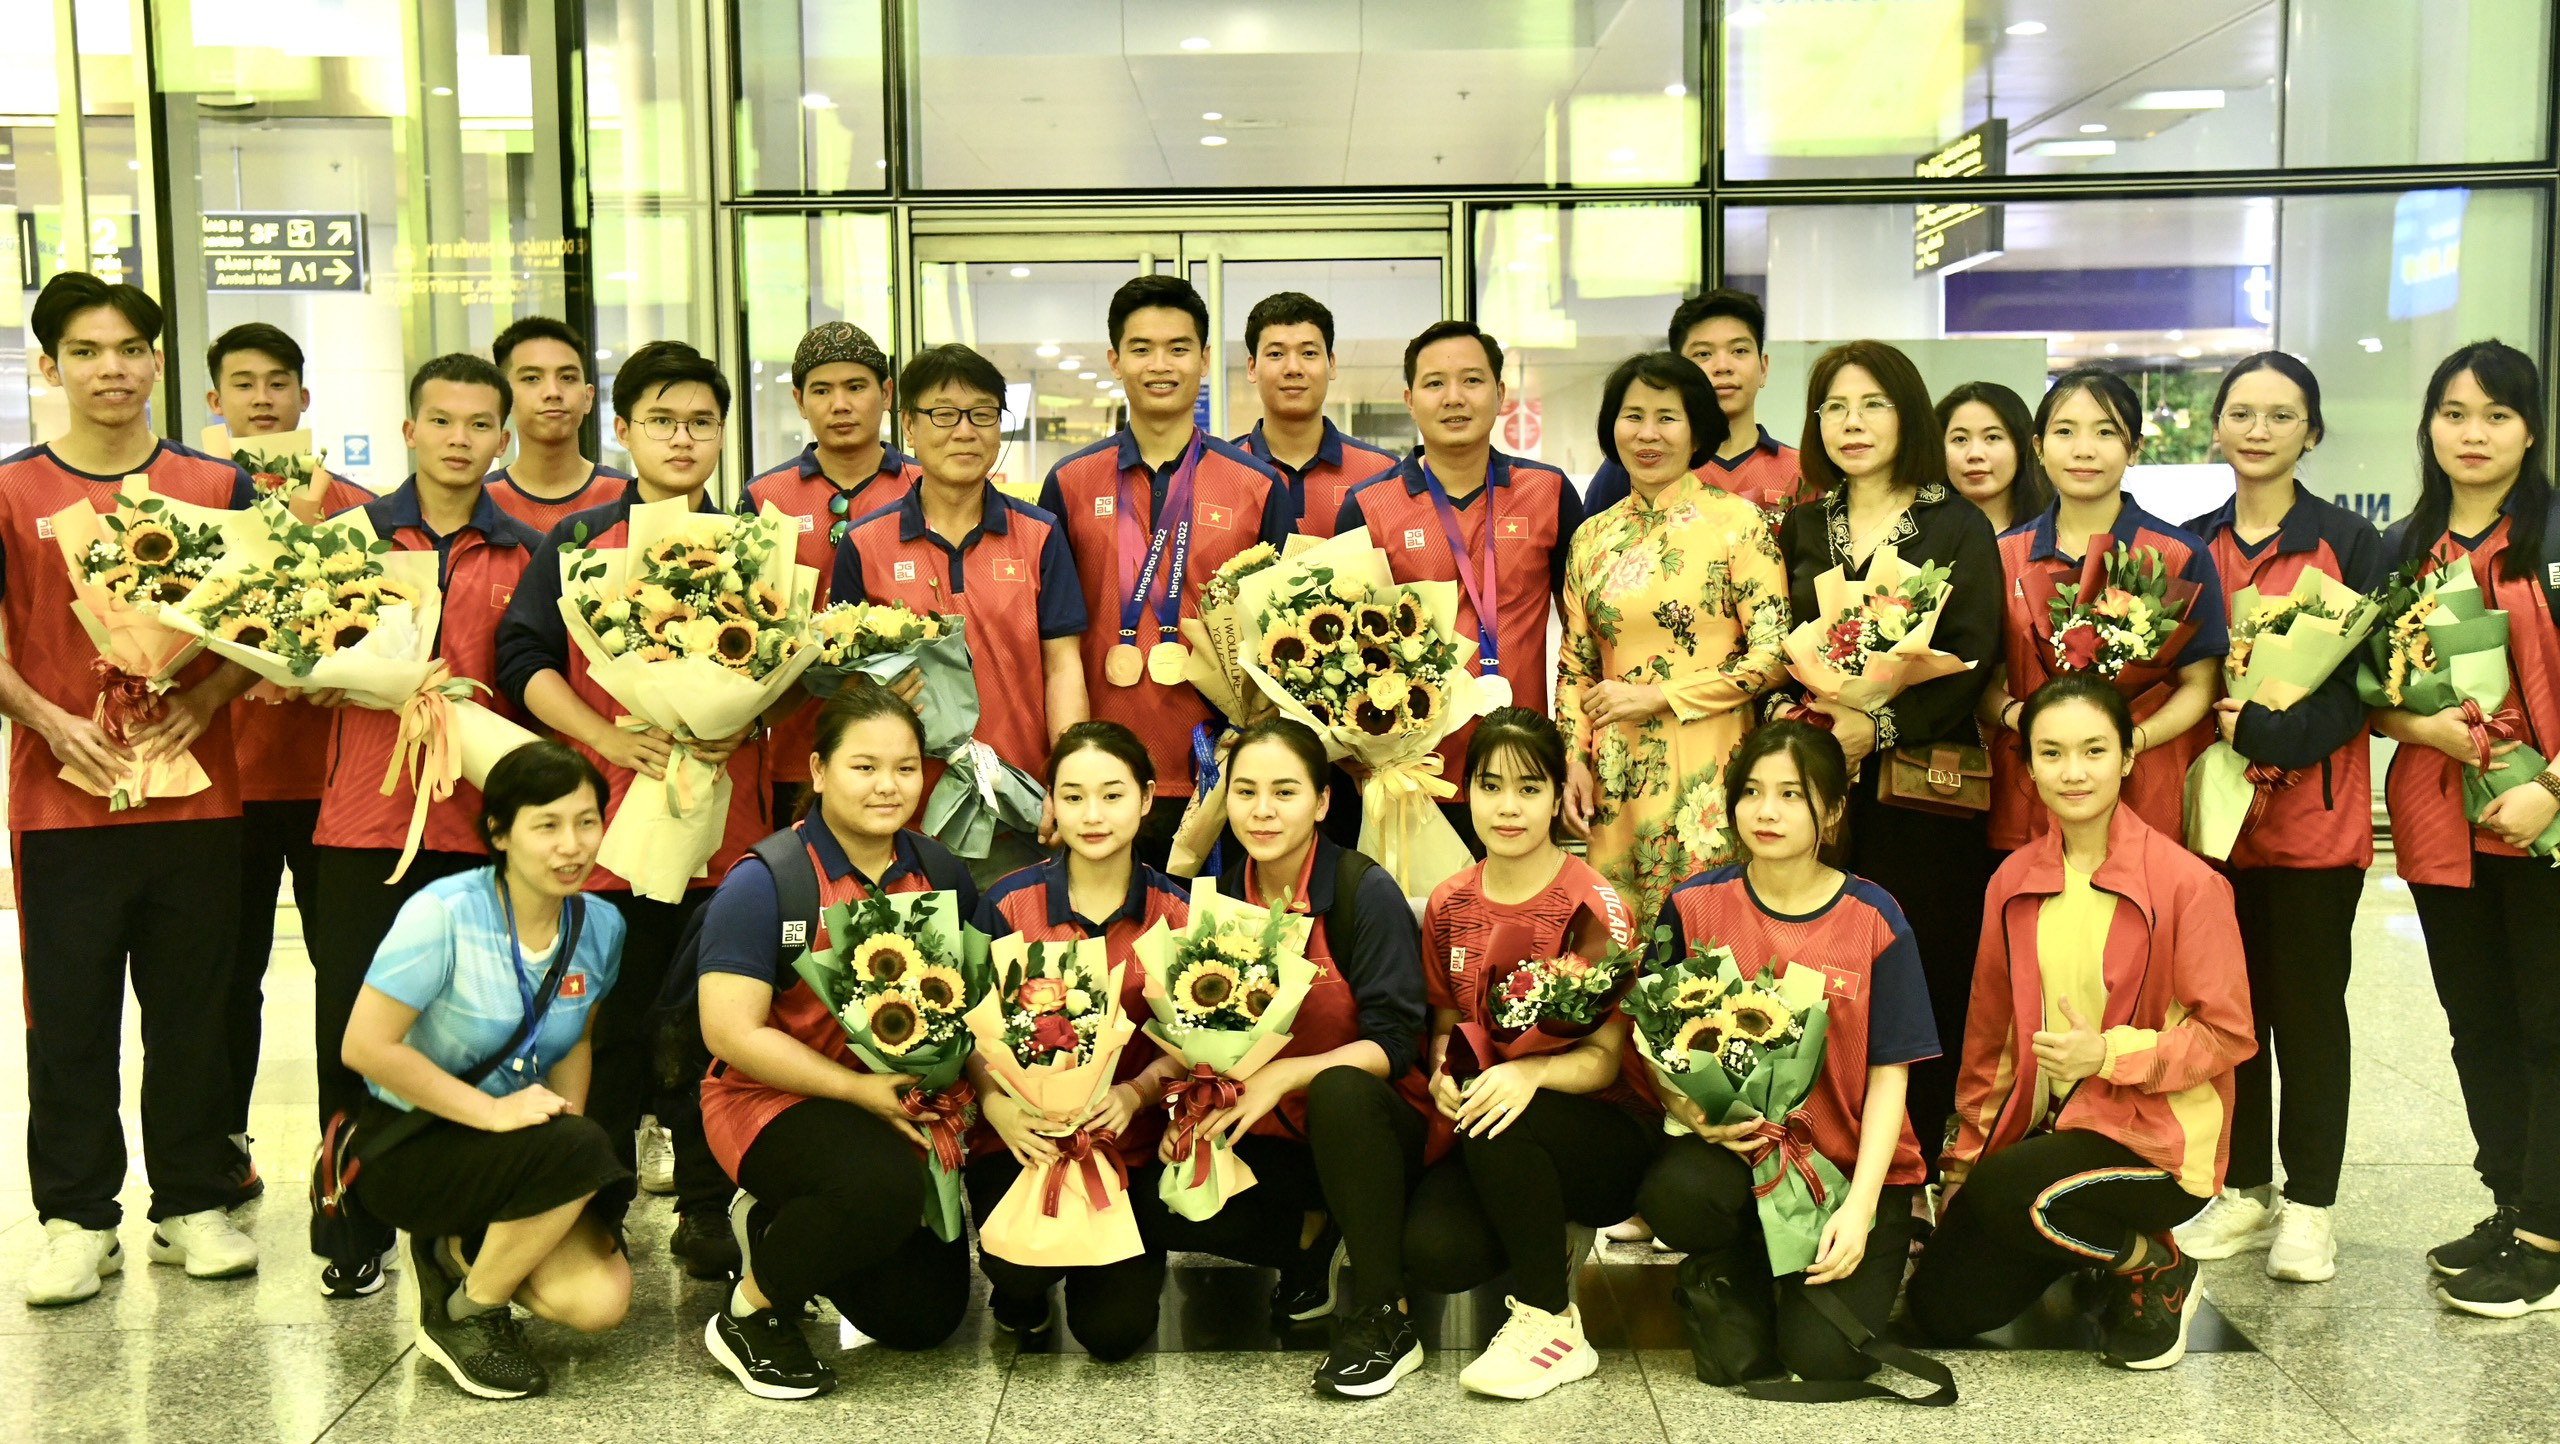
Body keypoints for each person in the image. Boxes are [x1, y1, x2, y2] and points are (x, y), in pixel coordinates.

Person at [6, 272, 264, 1308]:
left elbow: (266, 622)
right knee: (68, 1014)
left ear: (157, 361)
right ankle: (77, 1220)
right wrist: (46, 716)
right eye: (85, 352)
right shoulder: (13, 491)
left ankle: (193, 1203)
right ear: (50, 366)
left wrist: (207, 698)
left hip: (197, 795)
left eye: (128, 350)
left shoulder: (217, 486)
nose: (109, 369)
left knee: (194, 1006)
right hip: (61, 798)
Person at [498, 339, 764, 1279]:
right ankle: (595, 1208)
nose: (682, 438)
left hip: (726, 838)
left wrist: (748, 717)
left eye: (701, 422)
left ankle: (707, 1209)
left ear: (722, 434)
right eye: (661, 420)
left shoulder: (755, 544)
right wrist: (604, 739)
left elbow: (793, 665)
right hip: (605, 835)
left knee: (714, 1030)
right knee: (602, 1032)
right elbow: (521, 659)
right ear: (622, 429)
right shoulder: (578, 543)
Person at [1909, 674, 2253, 1371]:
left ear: (2127, 756)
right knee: (1938, 1310)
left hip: (2156, 1143)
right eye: (2052, 753)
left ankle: (2154, 1264)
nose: (2074, 772)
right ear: (2029, 766)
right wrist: (1964, 1162)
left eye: (2095, 751)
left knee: (2014, 1193)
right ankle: (2081, 1244)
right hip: (2046, 1139)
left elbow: (2227, 1034)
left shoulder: (2189, 884)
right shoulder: (2012, 882)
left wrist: (2109, 1056)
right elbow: (1991, 1042)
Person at [302, 353, 545, 1298]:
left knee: (471, 1034)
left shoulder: (527, 553)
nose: (458, 439)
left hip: (476, 831)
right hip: (362, 822)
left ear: (502, 439)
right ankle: (350, 1221)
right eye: (440, 421)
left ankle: (457, 1222)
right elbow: (296, 659)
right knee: (351, 1031)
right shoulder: (348, 542)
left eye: (479, 425)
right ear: (409, 430)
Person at [694, 682, 978, 1398]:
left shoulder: (940, 872)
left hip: (893, 1105)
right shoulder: (768, 881)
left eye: (906, 768)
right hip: (773, 1101)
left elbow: (976, 1003)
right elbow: (728, 1030)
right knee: (877, 1184)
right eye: (864, 766)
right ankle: (748, 1314)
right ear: (818, 770)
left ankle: (779, 1227)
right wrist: (855, 1089)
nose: (888, 786)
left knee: (922, 1319)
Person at [1638, 720, 1939, 1384]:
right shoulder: (1692, 906)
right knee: (1678, 1194)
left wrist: (1860, 1211)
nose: (1766, 811)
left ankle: (1847, 1263)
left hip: (1848, 1174)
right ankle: (1741, 1266)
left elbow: (1892, 1079)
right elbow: (1654, 1039)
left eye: (1790, 794)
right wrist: (1691, 1114)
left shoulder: (1875, 918)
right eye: (1751, 791)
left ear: (1831, 811)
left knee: (1825, 1359)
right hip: (1745, 1160)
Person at [2173, 353, 2385, 1285]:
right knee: (2232, 1014)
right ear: (2217, 426)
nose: (2259, 430)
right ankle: (2245, 1189)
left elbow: (2365, 687)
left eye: (2282, 414)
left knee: (2307, 1014)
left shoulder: (2350, 541)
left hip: (2312, 826)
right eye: (2242, 412)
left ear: (2312, 431)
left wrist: (2270, 731)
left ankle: (2312, 1207)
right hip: (2214, 826)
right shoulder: (2191, 545)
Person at [341, 740, 633, 1400]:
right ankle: (469, 1313)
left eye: (586, 822)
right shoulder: (443, 913)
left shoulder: (602, 926)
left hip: (517, 1143)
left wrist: (565, 1157)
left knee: (599, 1302)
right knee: (582, 1150)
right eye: (547, 825)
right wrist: (495, 1114)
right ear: (499, 832)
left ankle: (458, 1255)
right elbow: (365, 1047)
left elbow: (576, 1041)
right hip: (416, 1140)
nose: (572, 846)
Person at [1150, 717, 1430, 1398]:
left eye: (1284, 792)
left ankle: (1386, 1315)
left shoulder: (1362, 892)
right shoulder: (1222, 899)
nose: (1262, 811)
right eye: (1245, 792)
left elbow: (1396, 1044)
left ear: (1323, 802)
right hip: (1273, 1136)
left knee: (1338, 1089)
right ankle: (1309, 1241)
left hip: (1370, 1134)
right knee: (1155, 1199)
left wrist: (1286, 1074)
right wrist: (1191, 1108)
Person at [1773, 342, 2000, 1175]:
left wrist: (1882, 726)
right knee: (1816, 967)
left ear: (1908, 417)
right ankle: (1815, 1154)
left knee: (1920, 968)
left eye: (1873, 404)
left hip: (1921, 793)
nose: (1853, 423)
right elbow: (1777, 642)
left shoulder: (1956, 524)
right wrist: (1802, 717)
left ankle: (1915, 1166)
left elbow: (1972, 655)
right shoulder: (1802, 525)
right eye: (1835, 407)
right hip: (1822, 787)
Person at [2370, 340, 2560, 1317]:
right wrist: (2422, 728)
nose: (2472, 433)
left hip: (2542, 825)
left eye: (2496, 414)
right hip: (2443, 821)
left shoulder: (2552, 536)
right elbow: (2370, 690)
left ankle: (2548, 1239)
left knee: (2549, 1029)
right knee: (2477, 1025)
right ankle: (2510, 1204)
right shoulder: (2402, 549)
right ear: (2429, 427)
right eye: (2454, 413)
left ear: (2530, 430)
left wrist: (2552, 789)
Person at [1396, 708, 1648, 1400]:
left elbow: (1605, 1059)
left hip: (1599, 1134)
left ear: (1557, 795)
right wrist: (1443, 1073)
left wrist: (1530, 1070)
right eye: (1490, 786)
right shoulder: (1449, 902)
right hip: (1491, 1125)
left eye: (1529, 788)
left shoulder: (1595, 907)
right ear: (1467, 790)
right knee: (1435, 1253)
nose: (1508, 807)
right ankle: (1537, 1227)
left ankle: (1552, 1326)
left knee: (1507, 1104)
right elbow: (1447, 1026)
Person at [202, 320, 376, 1206]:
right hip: (223, 783)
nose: (262, 398)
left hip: (334, 786)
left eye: (278, 382)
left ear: (305, 397)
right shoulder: (189, 507)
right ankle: (223, 1148)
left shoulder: (358, 508)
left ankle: (346, 1156)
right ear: (214, 400)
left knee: (347, 979)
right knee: (225, 978)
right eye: (244, 383)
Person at [1038, 274, 1292, 863]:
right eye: (1141, 348)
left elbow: (1282, 640)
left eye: (1178, 348)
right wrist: (1061, 769)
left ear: (1203, 359)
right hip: (1101, 777)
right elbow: (1052, 645)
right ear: (1114, 360)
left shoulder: (1256, 485)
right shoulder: (1070, 483)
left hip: (1221, 769)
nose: (1160, 365)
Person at [971, 721, 1190, 1359]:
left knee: (1114, 1334)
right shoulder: (1008, 905)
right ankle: (1020, 1292)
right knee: (1018, 1271)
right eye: (1072, 797)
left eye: (1112, 795)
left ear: (1146, 798)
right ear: (1052, 803)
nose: (1092, 816)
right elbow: (970, 1030)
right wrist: (995, 1105)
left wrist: (1137, 1093)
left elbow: (1197, 1038)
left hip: (1128, 1147)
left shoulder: (1177, 914)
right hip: (1022, 1140)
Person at [835, 343, 1089, 883]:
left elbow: (1063, 666)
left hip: (1019, 811)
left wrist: (1071, 782)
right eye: (944, 415)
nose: (965, 432)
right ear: (908, 425)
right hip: (903, 818)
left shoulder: (1040, 535)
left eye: (982, 414)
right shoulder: (864, 543)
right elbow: (845, 689)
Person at [1558, 351, 1789, 929]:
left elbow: (1773, 657)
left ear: (1697, 431)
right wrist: (1572, 759)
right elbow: (1576, 667)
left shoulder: (1739, 524)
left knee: (1709, 933)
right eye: (1633, 416)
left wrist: (1658, 696)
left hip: (1712, 764)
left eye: (1667, 417)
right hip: (1616, 771)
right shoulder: (1591, 537)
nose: (1648, 434)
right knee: (1620, 936)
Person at [1337, 321, 1584, 845]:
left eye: (1472, 380)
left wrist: (1578, 749)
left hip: (1525, 772)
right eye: (1434, 383)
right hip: (1412, 776)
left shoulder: (1548, 492)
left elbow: (1585, 638)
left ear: (1500, 393)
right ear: (1409, 399)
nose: (1454, 397)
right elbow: (1344, 652)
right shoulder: (1368, 506)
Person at [1976, 367, 2228, 855]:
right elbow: (1979, 682)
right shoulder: (2002, 557)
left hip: (2146, 788)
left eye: (2106, 432)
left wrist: (2131, 741)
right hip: (2029, 791)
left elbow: (2200, 686)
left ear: (2134, 449)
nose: (2084, 449)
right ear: (2038, 447)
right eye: (2065, 432)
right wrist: (2024, 719)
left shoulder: (2178, 554)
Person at [747, 321, 923, 822]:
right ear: (799, 401)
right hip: (794, 748)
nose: (840, 404)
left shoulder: (925, 486)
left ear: (886, 394)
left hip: (905, 748)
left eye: (856, 387)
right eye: (822, 390)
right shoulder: (764, 497)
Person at [1581, 289, 1805, 526]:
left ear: (1764, 367)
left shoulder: (1803, 471)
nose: (1722, 366)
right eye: (1703, 353)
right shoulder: (1635, 463)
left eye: (1739, 351)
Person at [1232, 291, 1398, 538]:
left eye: (1309, 353)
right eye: (1276, 354)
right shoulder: (1220, 471)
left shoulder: (1383, 472)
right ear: (1252, 367)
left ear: (1331, 364)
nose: (1293, 368)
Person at [485, 318, 632, 533]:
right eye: (532, 378)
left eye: (567, 378)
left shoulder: (628, 499)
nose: (553, 392)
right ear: (504, 397)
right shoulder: (480, 504)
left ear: (588, 398)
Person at [1938, 380, 2052, 534]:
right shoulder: (1920, 534)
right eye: (1960, 439)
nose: (1975, 454)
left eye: (1992, 437)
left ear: (2020, 446)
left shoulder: (2051, 533)